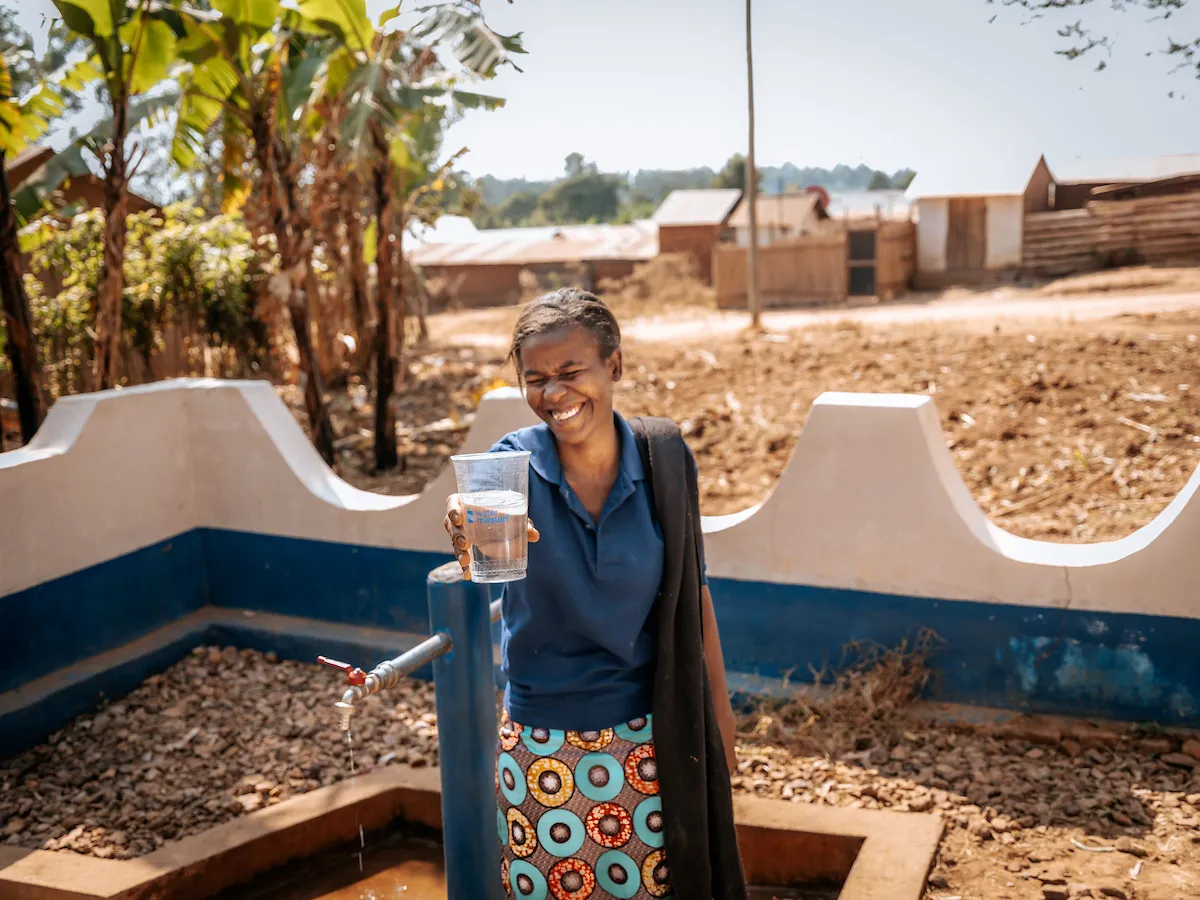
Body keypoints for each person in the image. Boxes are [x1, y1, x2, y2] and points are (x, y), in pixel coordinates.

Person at [443, 288, 747, 900]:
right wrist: (461, 521)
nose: (553, 394)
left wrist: (720, 718)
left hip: (650, 740)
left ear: (614, 365)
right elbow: (479, 547)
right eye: (535, 379)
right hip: (539, 749)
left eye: (570, 371)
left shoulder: (663, 460)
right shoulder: (514, 468)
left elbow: (696, 596)